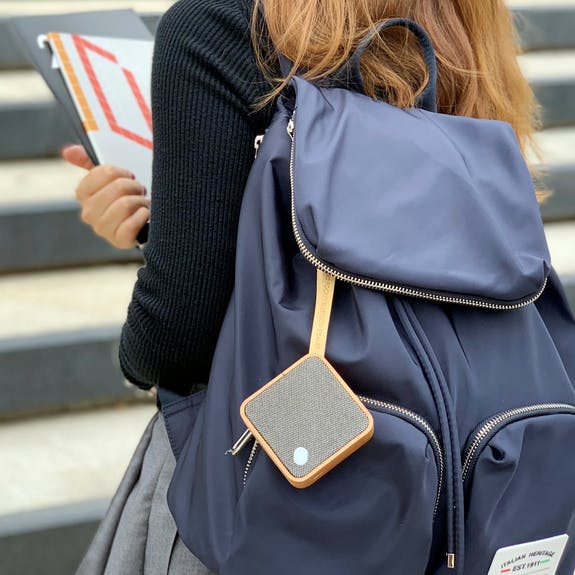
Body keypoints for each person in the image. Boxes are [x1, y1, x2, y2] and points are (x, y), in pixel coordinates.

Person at [62, 0, 540, 573]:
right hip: (454, 479)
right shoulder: (466, 25)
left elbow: (181, 331)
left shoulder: (221, 24)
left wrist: (147, 321)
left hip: (277, 471)